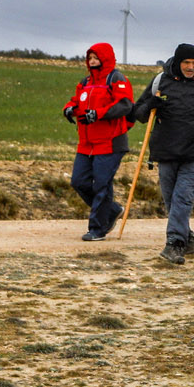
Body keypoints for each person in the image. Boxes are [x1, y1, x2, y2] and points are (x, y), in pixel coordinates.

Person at [129, 43, 194, 265]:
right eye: (186, 62)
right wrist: (150, 105)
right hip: (166, 151)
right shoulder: (160, 81)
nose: (191, 67)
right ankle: (187, 237)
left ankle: (174, 244)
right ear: (177, 62)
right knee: (171, 199)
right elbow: (138, 113)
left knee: (183, 197)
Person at [63, 42, 135, 241]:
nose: (93, 62)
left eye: (96, 58)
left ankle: (98, 229)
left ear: (105, 59)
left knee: (102, 184)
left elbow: (125, 104)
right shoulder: (85, 82)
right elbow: (76, 101)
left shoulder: (116, 78)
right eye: (90, 58)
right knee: (78, 181)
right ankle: (111, 211)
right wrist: (69, 108)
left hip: (111, 142)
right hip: (87, 143)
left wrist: (99, 115)